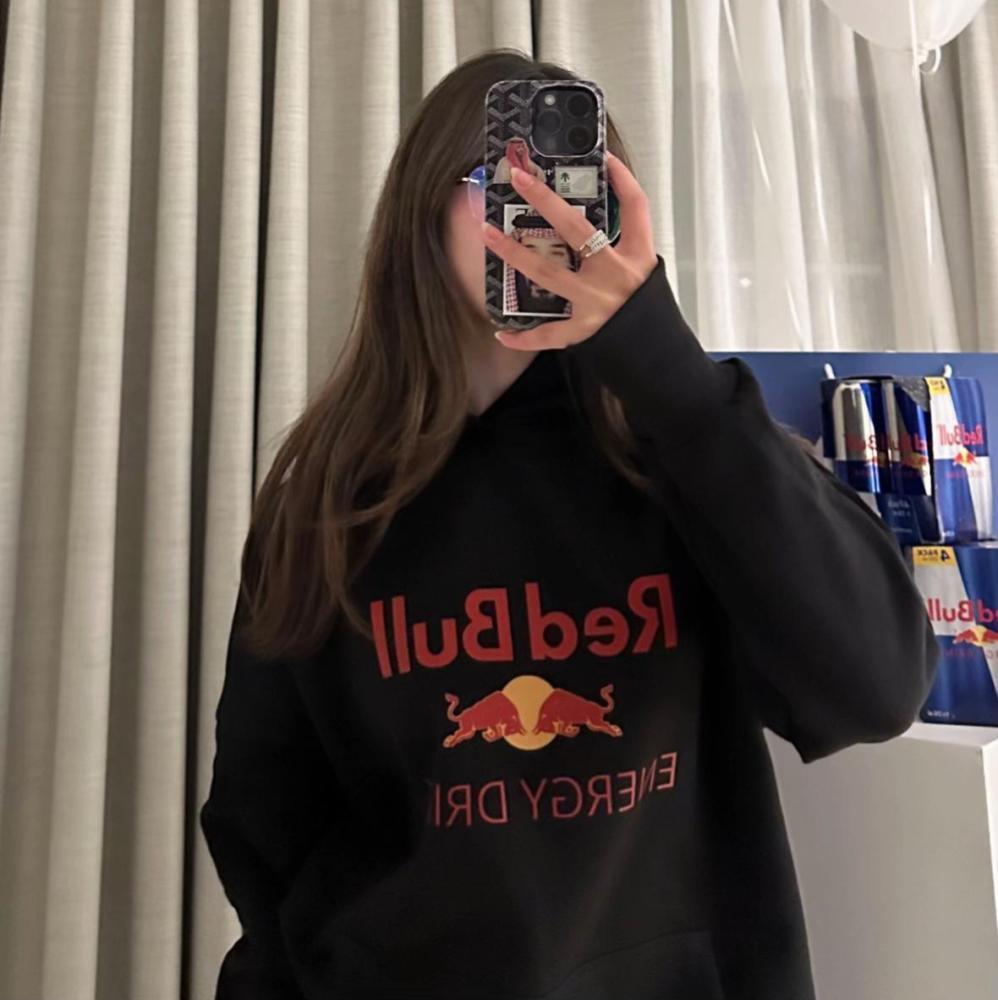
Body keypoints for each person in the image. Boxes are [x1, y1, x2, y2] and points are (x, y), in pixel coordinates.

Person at [199, 48, 940, 1000]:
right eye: (504, 183)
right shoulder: (333, 499)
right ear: (423, 213)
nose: (543, 213)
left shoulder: (686, 459)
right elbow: (264, 819)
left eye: (573, 187)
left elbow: (879, 688)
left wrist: (662, 362)